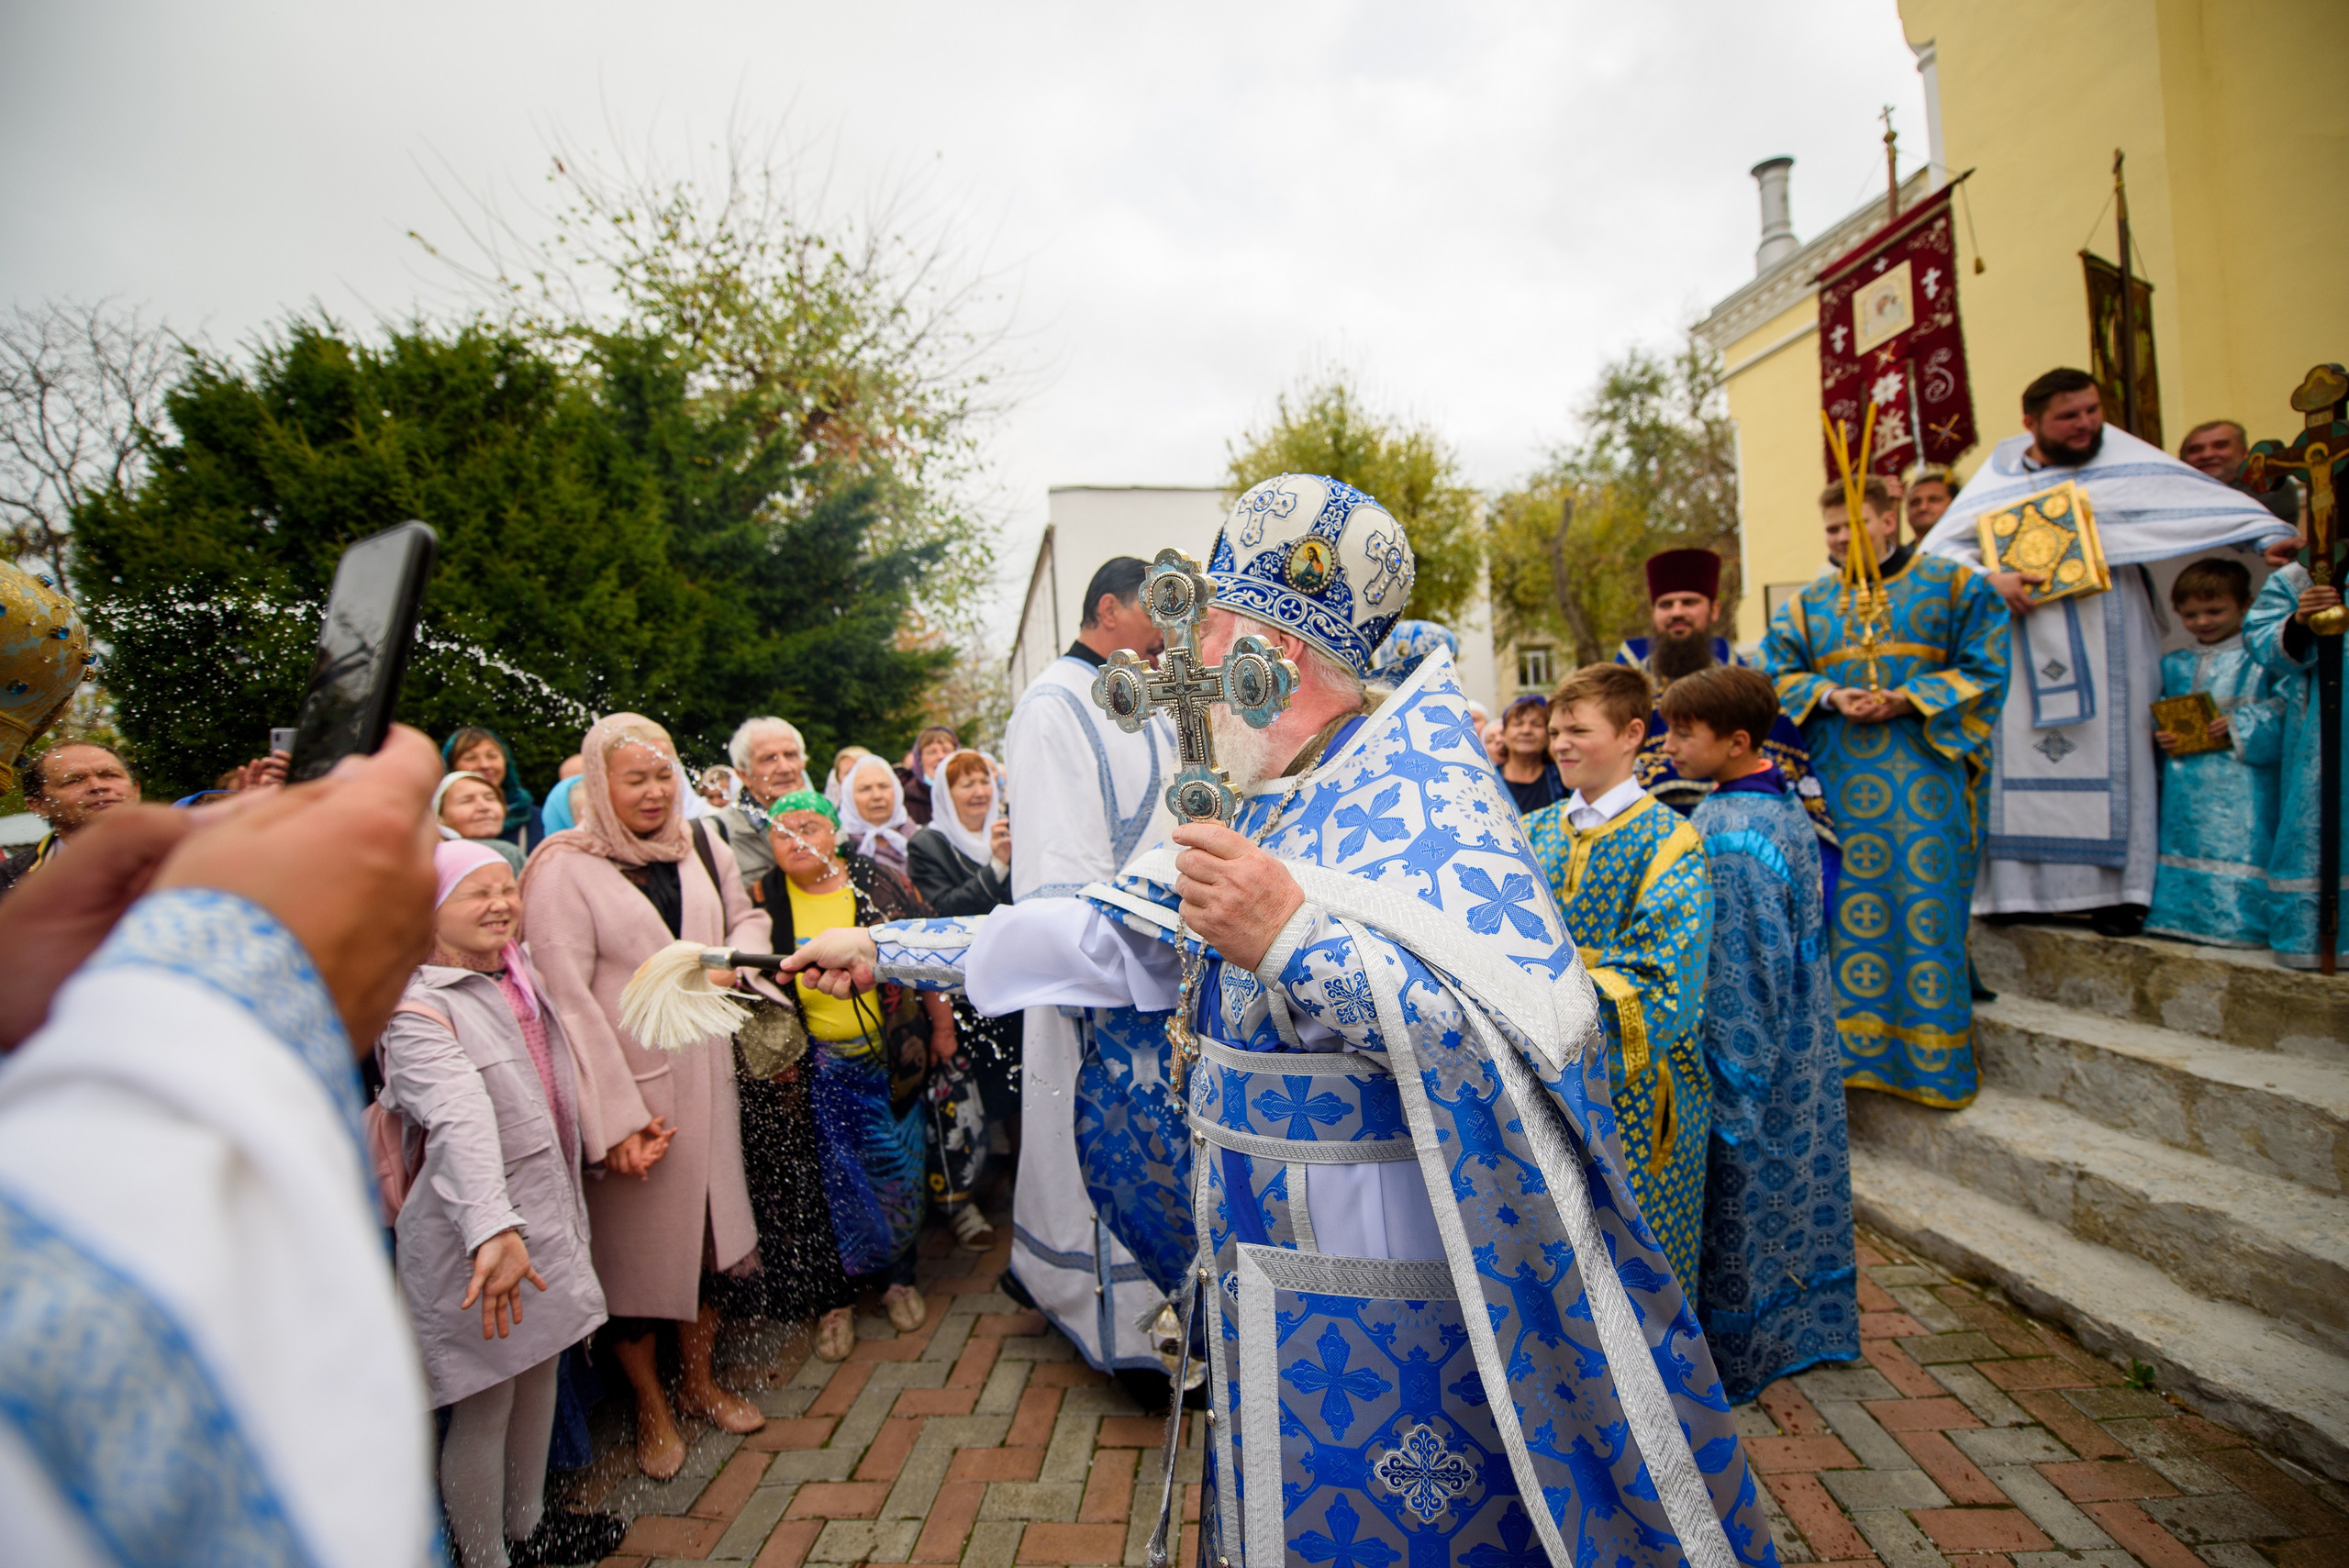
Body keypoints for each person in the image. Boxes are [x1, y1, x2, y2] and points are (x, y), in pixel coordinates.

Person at [782, 475, 1770, 1566]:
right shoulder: (1269, 783)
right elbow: (1114, 934)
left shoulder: (1425, 797)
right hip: (1255, 1237)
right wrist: (889, 950)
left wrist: (1294, 937)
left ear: (1274, 651)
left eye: (1203, 630)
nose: (1185, 660)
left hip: (1386, 1244)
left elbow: (1514, 1030)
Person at [0, 726, 445, 1568]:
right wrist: (236, 958)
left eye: (111, 770)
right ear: (36, 804)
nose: (100, 786)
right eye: (77, 777)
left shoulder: (200, 841)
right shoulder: (20, 890)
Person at [1920, 368, 2293, 938]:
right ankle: (2022, 894)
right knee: (2024, 753)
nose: (2086, 424)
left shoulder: (2125, 461)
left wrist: (2268, 534)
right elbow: (1938, 555)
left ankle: (2125, 893)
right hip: (2022, 638)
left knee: (2122, 752)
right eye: (2069, 416)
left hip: (2112, 630)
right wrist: (1986, 579)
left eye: (2092, 410)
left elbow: (2199, 507)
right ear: (2031, 424)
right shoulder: (1997, 478)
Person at [518, 714, 767, 1479]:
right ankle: (650, 1412)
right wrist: (616, 1122)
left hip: (711, 1078)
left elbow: (746, 917)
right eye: (635, 779)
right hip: (635, 1097)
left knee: (712, 1244)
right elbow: (567, 999)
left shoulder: (700, 841)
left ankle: (698, 1384)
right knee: (636, 1265)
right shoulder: (563, 867)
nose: (655, 792)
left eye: (664, 775)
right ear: (599, 783)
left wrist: (741, 963)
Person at [378, 841, 618, 1568]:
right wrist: (492, 1226)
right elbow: (458, 1117)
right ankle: (486, 1558)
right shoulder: (415, 1008)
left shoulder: (518, 975)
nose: (500, 904)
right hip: (472, 1234)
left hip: (542, 1212)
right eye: (474, 893)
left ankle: (529, 1528)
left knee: (541, 1370)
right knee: (485, 1401)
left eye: (507, 888)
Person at [997, 552, 1183, 1374]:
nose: (1166, 634)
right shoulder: (1052, 706)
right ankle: (1116, 1323)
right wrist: (1098, 953)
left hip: (1168, 963)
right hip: (1101, 969)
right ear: (1110, 610)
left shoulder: (1152, 696)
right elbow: (1055, 861)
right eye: (1154, 615)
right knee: (1095, 1137)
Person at [1769, 475, 2009, 1107]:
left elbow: (1989, 666)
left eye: (1853, 524)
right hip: (1838, 785)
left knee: (1923, 908)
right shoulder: (1806, 604)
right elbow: (1775, 669)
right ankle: (1848, 1059)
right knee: (1843, 911)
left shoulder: (1956, 586)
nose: (1842, 537)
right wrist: (1828, 694)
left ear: (1887, 519)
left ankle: (1931, 1061)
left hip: (1923, 784)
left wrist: (1910, 697)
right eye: (1831, 529)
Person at [1658, 666, 1859, 1402]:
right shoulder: (1773, 804)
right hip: (1801, 1040)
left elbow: (1744, 973)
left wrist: (1730, 1092)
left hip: (1752, 1052)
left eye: (1685, 732)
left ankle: (1741, 1355)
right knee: (1791, 1200)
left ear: (1737, 741)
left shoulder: (1735, 835)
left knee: (1745, 1203)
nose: (1669, 745)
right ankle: (1800, 1328)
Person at [1526, 663, 1715, 1285]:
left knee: (1638, 1259)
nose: (1561, 743)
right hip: (1532, 1083)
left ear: (1633, 733)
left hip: (1634, 1089)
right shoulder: (1527, 831)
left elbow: (1666, 976)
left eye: (1578, 728)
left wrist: (1541, 1003)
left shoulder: (1672, 839)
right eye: (1556, 729)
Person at [759, 791, 942, 1356]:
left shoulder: (880, 882)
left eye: (809, 826)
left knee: (895, 1169)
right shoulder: (763, 898)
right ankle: (833, 1301)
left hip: (894, 1057)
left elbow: (930, 953)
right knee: (827, 1182)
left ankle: (897, 1282)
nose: (795, 839)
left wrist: (943, 1028)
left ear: (836, 833)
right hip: (814, 1071)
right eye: (781, 830)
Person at [1615, 548, 1840, 877]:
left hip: (1744, 842)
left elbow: (1783, 762)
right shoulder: (1627, 686)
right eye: (1666, 604)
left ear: (1714, 609)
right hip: (1645, 846)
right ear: (1654, 613)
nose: (1677, 612)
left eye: (1689, 602)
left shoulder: (1743, 684)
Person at [906, 750, 1022, 1250]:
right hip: (962, 993)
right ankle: (963, 1204)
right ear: (943, 794)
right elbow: (942, 913)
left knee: (1017, 1090)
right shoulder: (929, 843)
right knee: (967, 1099)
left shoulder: (1010, 828)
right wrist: (996, 867)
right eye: (963, 784)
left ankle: (1022, 1187)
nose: (977, 791)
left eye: (982, 781)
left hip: (1014, 982)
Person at [2147, 560, 2281, 947]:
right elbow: (2160, 711)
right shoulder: (2173, 663)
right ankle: (2181, 917)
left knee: (2245, 840)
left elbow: (2288, 709)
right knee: (2183, 837)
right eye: (2190, 614)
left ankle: (2241, 924)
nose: (2202, 621)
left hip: (2244, 780)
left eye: (2214, 610)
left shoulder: (2262, 660)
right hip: (2186, 779)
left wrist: (2241, 724)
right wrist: (2162, 735)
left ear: (2245, 605)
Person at [2243, 556, 2348, 970]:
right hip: (2321, 730)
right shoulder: (2299, 575)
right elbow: (2259, 639)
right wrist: (2300, 620)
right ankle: (2316, 938)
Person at [0, 740, 137, 895]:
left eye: (110, 775)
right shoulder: (8, 881)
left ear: (136, 790)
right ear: (38, 805)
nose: (97, 786)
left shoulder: (168, 855)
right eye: (73, 780)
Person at [713, 717, 811, 895]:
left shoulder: (826, 819)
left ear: (802, 763)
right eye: (769, 759)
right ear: (743, 774)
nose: (784, 768)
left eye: (790, 755)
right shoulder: (717, 834)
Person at [2180, 418, 2300, 525]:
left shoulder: (2270, 486)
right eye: (2195, 450)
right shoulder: (2177, 494)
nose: (2207, 455)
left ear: (2243, 453)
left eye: (2220, 445)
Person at [444, 727, 540, 849]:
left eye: (492, 756)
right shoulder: (430, 830)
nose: (485, 765)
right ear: (451, 767)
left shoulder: (537, 819)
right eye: (471, 758)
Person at [841, 752, 916, 882]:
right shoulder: (841, 845)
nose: (877, 796)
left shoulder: (918, 836)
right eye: (865, 789)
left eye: (884, 786)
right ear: (849, 798)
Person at [435, 771, 527, 873]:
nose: (484, 807)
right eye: (467, 801)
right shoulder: (506, 852)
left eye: (490, 798)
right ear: (438, 816)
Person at [1496, 692, 1565, 814]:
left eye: (1536, 725)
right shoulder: (1489, 779)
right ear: (1504, 734)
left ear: (1549, 735)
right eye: (1518, 724)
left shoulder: (1563, 779)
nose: (1526, 730)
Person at [897, 725, 960, 828]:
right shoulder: (904, 799)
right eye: (932, 752)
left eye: (946, 750)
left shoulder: (970, 794)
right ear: (919, 760)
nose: (940, 756)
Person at [1905, 463, 1961, 541]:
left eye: (1934, 500)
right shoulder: (1899, 553)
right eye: (1915, 502)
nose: (1923, 507)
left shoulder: (1976, 549)